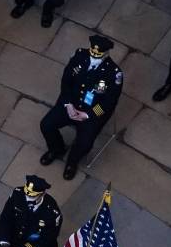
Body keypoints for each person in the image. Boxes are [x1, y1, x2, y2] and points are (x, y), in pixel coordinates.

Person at [41, 35, 123, 182]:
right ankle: (57, 149)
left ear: (106, 54)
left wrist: (88, 115)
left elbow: (109, 102)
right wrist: (67, 104)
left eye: (97, 55)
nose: (93, 56)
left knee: (85, 143)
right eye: (92, 52)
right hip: (70, 105)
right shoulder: (79, 55)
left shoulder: (113, 73)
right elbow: (66, 82)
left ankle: (72, 161)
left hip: (91, 113)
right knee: (46, 124)